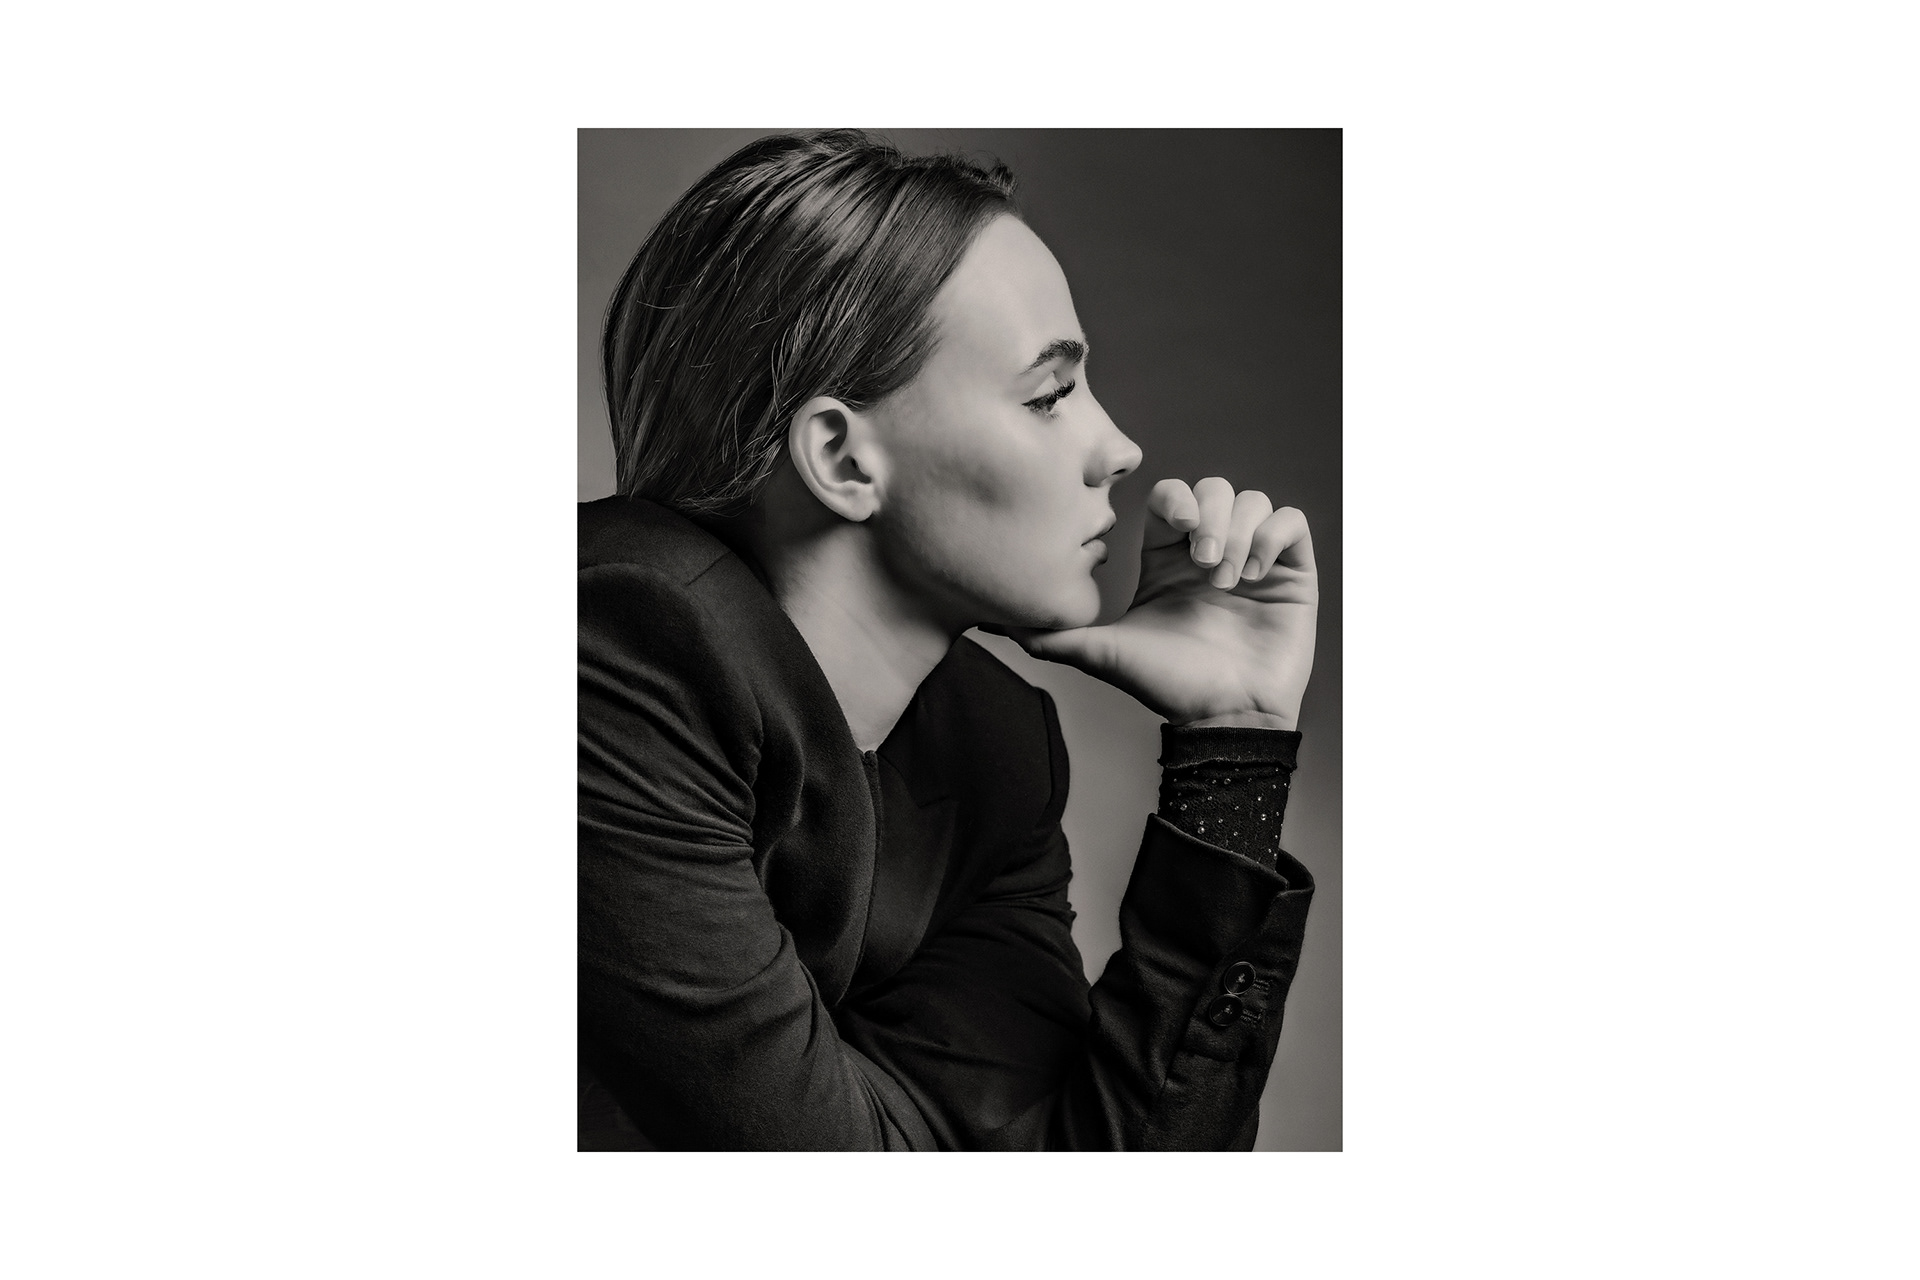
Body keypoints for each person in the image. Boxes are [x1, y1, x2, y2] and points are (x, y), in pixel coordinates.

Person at [579, 130, 1320, 1150]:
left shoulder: (993, 751)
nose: (1119, 448)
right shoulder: (619, 647)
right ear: (844, 458)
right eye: (1049, 395)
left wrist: (1234, 742)